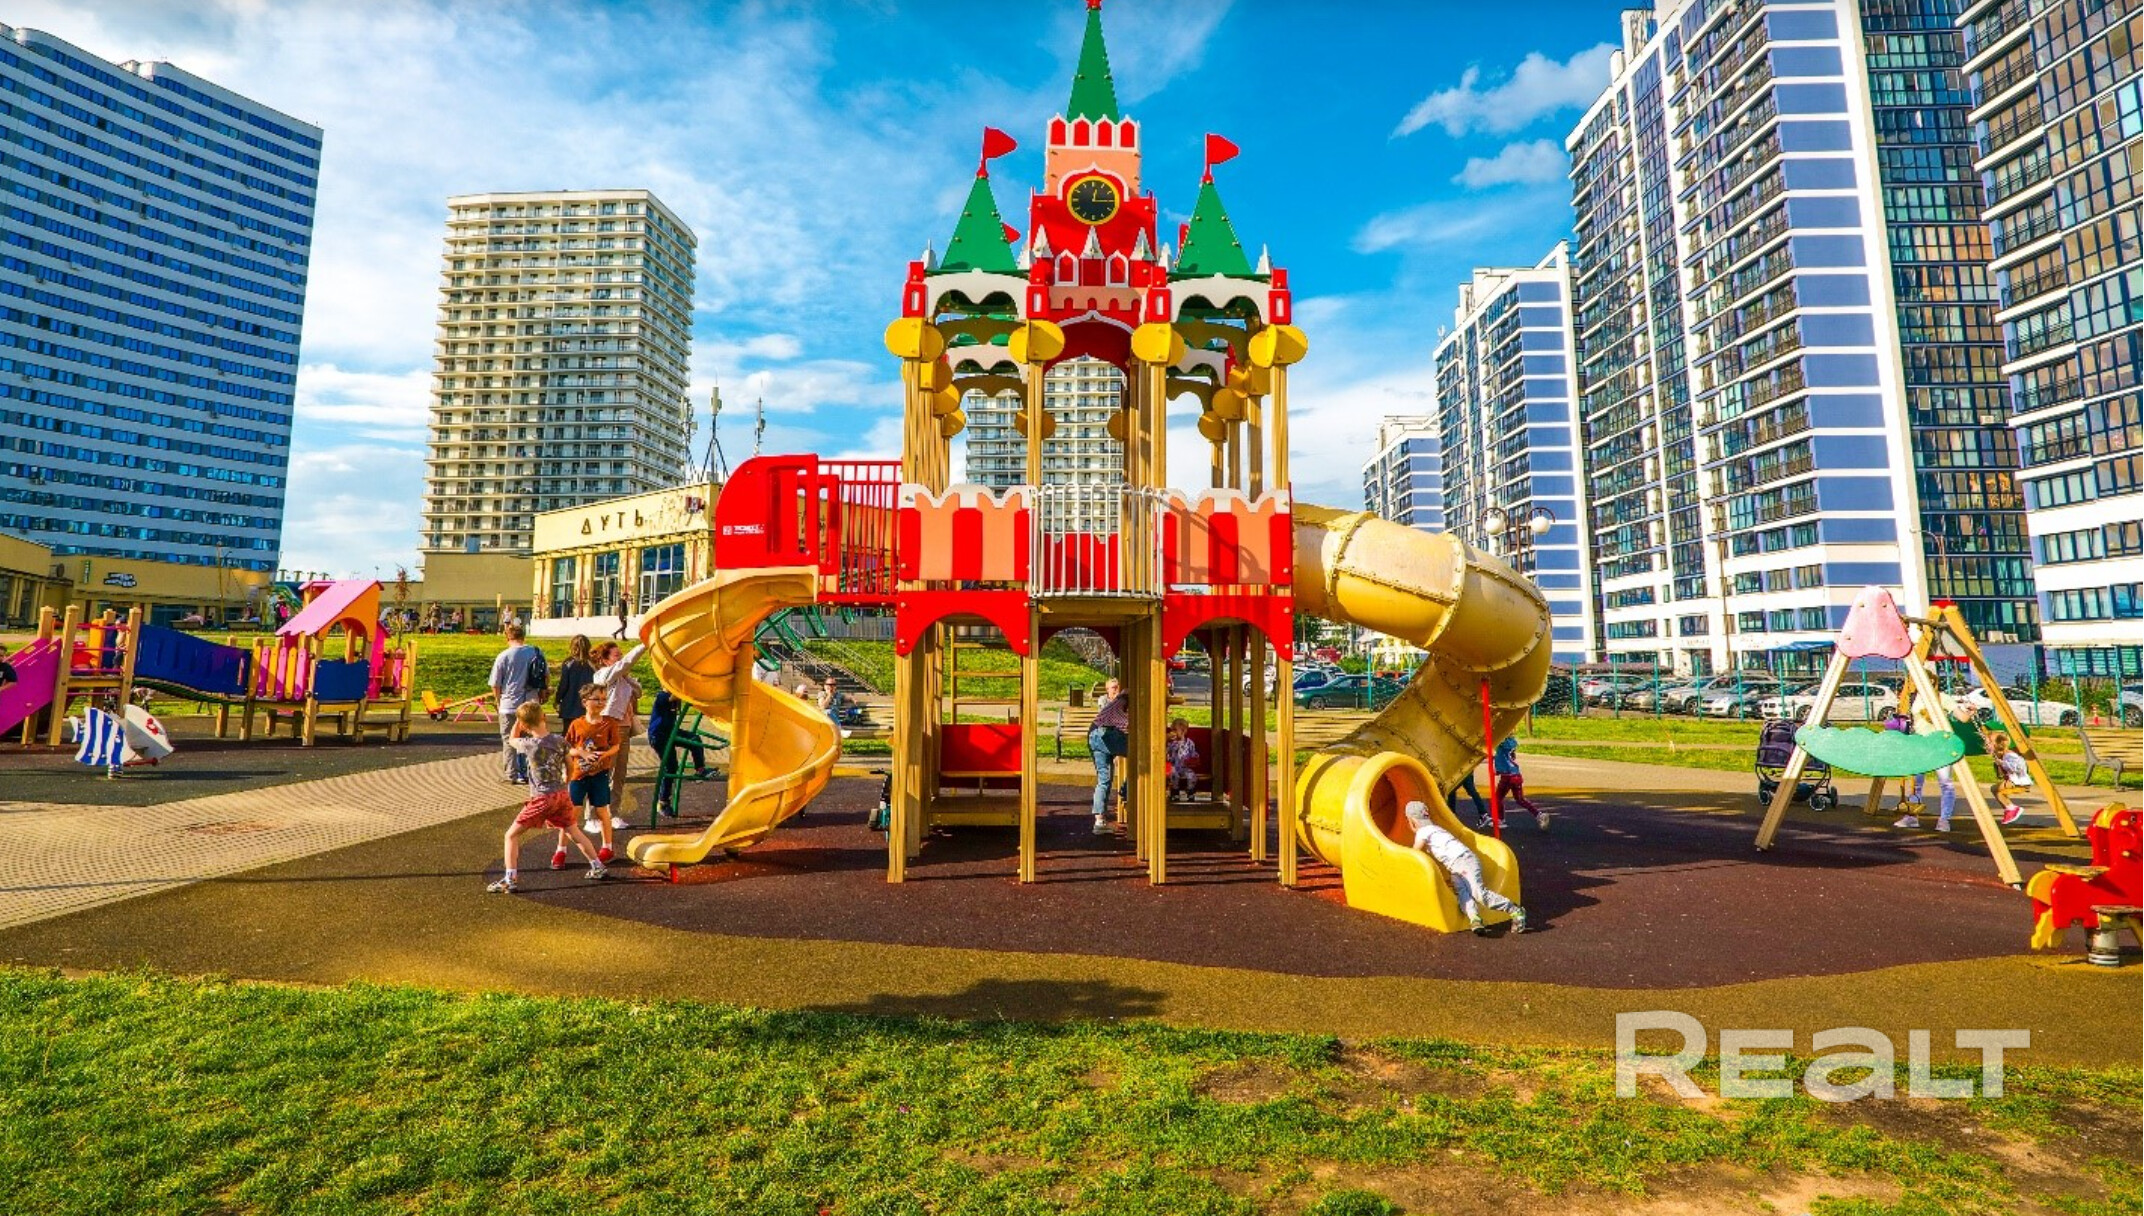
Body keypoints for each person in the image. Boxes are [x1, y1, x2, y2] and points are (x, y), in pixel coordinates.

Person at [489, 702, 606, 892]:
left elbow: (511, 739)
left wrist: (517, 722)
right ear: (544, 717)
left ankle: (510, 879)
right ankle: (597, 866)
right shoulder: (559, 740)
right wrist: (567, 781)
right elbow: (569, 764)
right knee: (573, 831)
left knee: (511, 835)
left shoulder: (528, 744)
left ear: (524, 725)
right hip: (561, 794)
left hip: (542, 797)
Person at [1404, 800, 1528, 936]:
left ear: (1412, 820)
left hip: (1463, 861)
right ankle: (1475, 918)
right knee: (1463, 894)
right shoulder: (1435, 829)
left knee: (1479, 894)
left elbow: (1415, 851)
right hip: (1457, 865)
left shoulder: (1423, 832)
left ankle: (1514, 910)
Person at [558, 684, 624, 865]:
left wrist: (604, 754)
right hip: (578, 775)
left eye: (604, 699)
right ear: (585, 702)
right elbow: (567, 748)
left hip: (599, 774)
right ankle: (561, 850)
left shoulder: (609, 723)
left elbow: (616, 746)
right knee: (571, 813)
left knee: (602, 810)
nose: (601, 703)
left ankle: (607, 847)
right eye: (596, 699)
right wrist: (582, 753)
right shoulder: (576, 724)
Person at [590, 639, 645, 824]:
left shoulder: (622, 678)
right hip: (608, 727)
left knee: (619, 775)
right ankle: (592, 816)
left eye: (621, 654)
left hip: (624, 729)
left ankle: (612, 814)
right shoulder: (602, 675)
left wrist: (627, 677)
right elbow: (626, 663)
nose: (620, 658)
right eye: (616, 655)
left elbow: (638, 692)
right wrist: (643, 645)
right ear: (605, 660)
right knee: (602, 771)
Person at [488, 624, 544, 783]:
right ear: (523, 636)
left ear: (507, 637)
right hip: (531, 702)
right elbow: (545, 677)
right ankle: (530, 772)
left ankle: (511, 774)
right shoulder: (536, 652)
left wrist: (499, 701)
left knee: (509, 740)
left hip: (509, 703)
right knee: (531, 738)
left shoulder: (503, 656)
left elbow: (495, 684)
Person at [1886, 708, 1955, 831]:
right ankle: (1912, 817)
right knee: (1915, 783)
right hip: (1920, 745)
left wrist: (1968, 711)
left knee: (1946, 784)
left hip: (1941, 746)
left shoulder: (1943, 699)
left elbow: (1961, 717)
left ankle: (1944, 820)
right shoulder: (1913, 699)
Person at [648, 687, 711, 817]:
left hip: (671, 732)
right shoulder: (662, 696)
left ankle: (700, 769)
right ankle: (663, 803)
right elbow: (674, 696)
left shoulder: (674, 697)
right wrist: (690, 690)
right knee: (671, 767)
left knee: (694, 739)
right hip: (659, 736)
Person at [1088, 677, 1130, 835]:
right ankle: (1126, 792)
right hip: (1106, 735)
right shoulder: (1121, 702)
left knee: (1104, 779)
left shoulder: (1112, 704)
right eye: (1113, 687)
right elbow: (1127, 725)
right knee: (1142, 757)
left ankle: (1099, 821)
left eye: (1117, 687)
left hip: (1094, 735)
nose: (1115, 690)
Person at [1487, 735, 1549, 831]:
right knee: (1520, 799)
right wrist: (1497, 771)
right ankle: (1539, 815)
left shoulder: (1502, 745)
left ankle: (1500, 819)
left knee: (1497, 798)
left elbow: (1500, 757)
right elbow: (1504, 760)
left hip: (1507, 777)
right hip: (1516, 775)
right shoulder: (1510, 745)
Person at [553, 635, 597, 731]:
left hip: (569, 704)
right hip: (587, 703)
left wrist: (557, 699)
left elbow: (563, 685)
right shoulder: (593, 664)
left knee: (568, 732)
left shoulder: (568, 663)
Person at [1989, 731, 2031, 826]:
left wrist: (2002, 763)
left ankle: (2012, 809)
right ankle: (2009, 809)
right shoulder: (2003, 755)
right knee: (1995, 790)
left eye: (1990, 742)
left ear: (1999, 744)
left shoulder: (2010, 754)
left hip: (2019, 781)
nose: (1987, 745)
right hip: (2014, 781)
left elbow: (2018, 767)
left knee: (1996, 790)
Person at [1165, 717, 1199, 799]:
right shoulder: (1171, 742)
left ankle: (1190, 791)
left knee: (1191, 775)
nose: (1174, 732)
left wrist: (1194, 758)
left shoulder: (1189, 742)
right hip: (1172, 765)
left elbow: (1193, 753)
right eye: (1173, 730)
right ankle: (1175, 791)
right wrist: (1167, 741)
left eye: (1176, 730)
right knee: (1173, 774)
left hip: (1184, 766)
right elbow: (1166, 751)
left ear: (1184, 731)